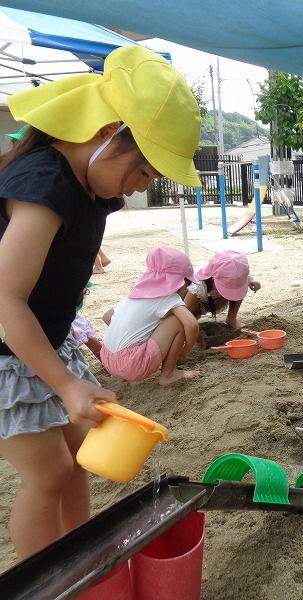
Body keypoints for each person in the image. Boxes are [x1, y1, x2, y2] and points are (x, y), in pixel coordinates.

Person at [0, 45, 201, 559]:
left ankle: (81, 559)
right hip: (8, 349)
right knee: (49, 473)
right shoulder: (43, 181)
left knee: (77, 451)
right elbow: (6, 300)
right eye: (144, 173)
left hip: (44, 340)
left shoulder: (93, 190)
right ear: (106, 133)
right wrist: (66, 383)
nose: (139, 189)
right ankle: (41, 581)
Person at [101, 246, 201, 387]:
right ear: (181, 282)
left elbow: (107, 317)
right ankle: (168, 374)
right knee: (178, 321)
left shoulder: (134, 295)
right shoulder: (169, 297)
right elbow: (192, 325)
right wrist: (185, 350)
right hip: (133, 366)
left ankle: (126, 368)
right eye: (188, 285)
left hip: (108, 359)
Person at [182, 250, 261, 331]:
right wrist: (199, 340)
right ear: (213, 278)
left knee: (239, 286)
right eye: (227, 287)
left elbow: (240, 275)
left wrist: (250, 280)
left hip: (215, 298)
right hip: (198, 300)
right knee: (189, 316)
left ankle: (232, 318)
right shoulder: (198, 286)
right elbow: (184, 315)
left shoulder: (234, 275)